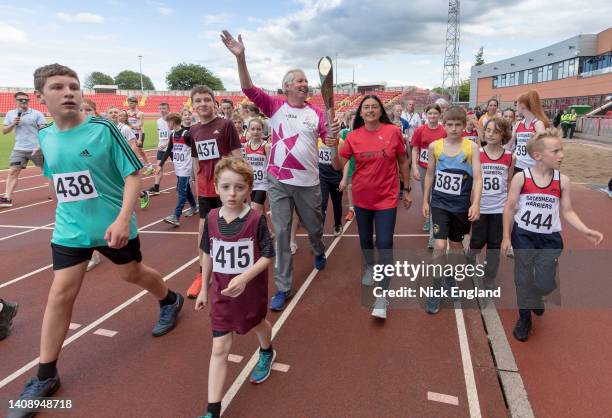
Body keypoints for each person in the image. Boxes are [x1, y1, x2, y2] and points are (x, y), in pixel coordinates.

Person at [10, 64, 184, 411]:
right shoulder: (44, 136)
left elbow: (134, 175)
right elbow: (57, 178)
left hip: (112, 226)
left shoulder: (103, 129)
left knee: (131, 274)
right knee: (60, 293)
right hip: (70, 230)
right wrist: (62, 213)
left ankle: (169, 300)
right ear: (42, 98)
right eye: (58, 87)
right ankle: (45, 374)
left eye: (74, 86)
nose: (69, 92)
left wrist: (123, 219)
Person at [221, 30, 339, 311]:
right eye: (300, 81)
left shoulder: (317, 113)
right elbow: (248, 89)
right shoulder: (274, 106)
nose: (305, 84)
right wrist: (241, 57)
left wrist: (333, 137)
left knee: (313, 227)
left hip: (308, 183)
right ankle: (284, 287)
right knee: (283, 234)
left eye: (307, 82)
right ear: (286, 87)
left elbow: (329, 141)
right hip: (278, 182)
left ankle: (318, 247)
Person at [501, 128, 603, 341]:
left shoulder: (562, 181)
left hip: (550, 238)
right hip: (524, 235)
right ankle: (524, 318)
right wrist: (506, 237)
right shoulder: (521, 178)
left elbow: (567, 210)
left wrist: (585, 230)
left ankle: (538, 295)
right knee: (523, 278)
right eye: (556, 151)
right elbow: (509, 208)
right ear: (538, 156)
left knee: (547, 283)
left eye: (561, 150)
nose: (562, 155)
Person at [195, 157, 275, 418]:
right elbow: (208, 251)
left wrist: (243, 278)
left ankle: (266, 351)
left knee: (258, 324)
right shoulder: (211, 218)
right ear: (216, 187)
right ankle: (212, 410)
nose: (232, 193)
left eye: (239, 187)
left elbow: (267, 254)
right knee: (219, 348)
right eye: (226, 186)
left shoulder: (255, 220)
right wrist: (205, 288)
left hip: (249, 293)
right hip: (221, 293)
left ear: (248, 189)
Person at [334, 95, 412, 319]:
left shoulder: (392, 132)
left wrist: (406, 189)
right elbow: (338, 163)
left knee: (385, 242)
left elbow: (403, 161)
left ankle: (381, 296)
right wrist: (332, 147)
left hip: (387, 198)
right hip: (362, 198)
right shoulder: (353, 136)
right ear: (360, 113)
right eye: (366, 107)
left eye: (374, 107)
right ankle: (370, 266)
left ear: (380, 111)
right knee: (366, 240)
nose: (370, 110)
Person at [422, 106, 482, 314]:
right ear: (443, 125)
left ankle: (449, 278)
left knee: (456, 245)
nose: (454, 128)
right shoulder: (434, 147)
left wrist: (476, 203)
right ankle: (436, 289)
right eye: (450, 125)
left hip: (461, 205)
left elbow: (478, 177)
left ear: (464, 126)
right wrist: (425, 200)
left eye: (458, 125)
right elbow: (429, 173)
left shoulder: (471, 147)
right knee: (439, 245)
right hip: (439, 203)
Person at [186, 85, 242, 299]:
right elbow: (196, 159)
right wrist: (196, 181)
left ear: (214, 102)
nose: (202, 104)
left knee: (231, 228)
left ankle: (234, 270)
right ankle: (202, 274)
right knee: (203, 230)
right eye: (198, 100)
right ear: (193, 105)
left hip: (226, 188)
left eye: (206, 100)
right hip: (206, 189)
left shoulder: (226, 125)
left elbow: (237, 156)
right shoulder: (193, 131)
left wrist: (241, 184)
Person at [467, 117, 514, 287]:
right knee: (477, 242)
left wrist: (510, 204)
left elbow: (508, 181)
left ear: (504, 134)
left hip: (499, 208)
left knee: (494, 244)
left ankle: (490, 276)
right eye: (488, 130)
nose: (491, 134)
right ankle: (470, 257)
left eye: (496, 131)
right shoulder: (477, 153)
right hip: (481, 206)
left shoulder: (509, 156)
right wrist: (472, 202)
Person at [1, 91, 48, 208]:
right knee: (13, 171)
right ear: (15, 101)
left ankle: (57, 192)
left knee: (47, 171)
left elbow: (44, 131)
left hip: (36, 148)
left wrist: (41, 145)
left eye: (26, 99)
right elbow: (4, 131)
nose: (23, 102)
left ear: (29, 101)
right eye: (21, 100)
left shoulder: (37, 114)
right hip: (19, 149)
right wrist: (13, 124)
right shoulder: (11, 114)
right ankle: (7, 198)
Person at [411, 104, 447, 249]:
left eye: (435, 113)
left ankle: (433, 233)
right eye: (430, 113)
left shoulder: (444, 131)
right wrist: (414, 167)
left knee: (435, 198)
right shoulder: (420, 130)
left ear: (439, 115)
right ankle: (428, 217)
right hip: (424, 167)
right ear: (426, 115)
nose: (432, 116)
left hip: (440, 168)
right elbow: (415, 149)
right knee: (426, 195)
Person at [160, 112, 198, 226]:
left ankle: (175, 216)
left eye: (168, 122)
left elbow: (195, 150)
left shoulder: (186, 134)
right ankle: (194, 207)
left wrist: (196, 166)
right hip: (178, 167)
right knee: (185, 189)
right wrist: (160, 165)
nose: (167, 124)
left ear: (173, 122)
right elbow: (168, 150)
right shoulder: (172, 135)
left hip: (186, 168)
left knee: (181, 190)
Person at [507, 91, 549, 174]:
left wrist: (536, 140)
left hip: (532, 167)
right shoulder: (519, 124)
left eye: (517, 104)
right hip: (517, 164)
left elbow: (545, 146)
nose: (516, 107)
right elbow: (509, 144)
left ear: (522, 106)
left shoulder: (538, 123)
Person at [244, 118, 271, 213]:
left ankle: (259, 228)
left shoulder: (266, 146)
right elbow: (247, 165)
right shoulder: (246, 146)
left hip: (263, 184)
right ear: (248, 130)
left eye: (258, 129)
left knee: (254, 210)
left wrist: (271, 183)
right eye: (253, 129)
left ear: (262, 130)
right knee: (260, 212)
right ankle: (267, 228)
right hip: (252, 183)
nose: (256, 132)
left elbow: (270, 166)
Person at [147, 103, 171, 195]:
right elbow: (160, 134)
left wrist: (166, 144)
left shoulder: (171, 120)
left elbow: (173, 135)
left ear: (168, 109)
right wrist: (161, 143)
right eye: (160, 108)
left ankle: (182, 187)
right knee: (159, 167)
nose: (162, 110)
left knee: (178, 168)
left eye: (164, 108)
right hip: (161, 147)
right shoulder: (158, 121)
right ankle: (156, 187)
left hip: (172, 148)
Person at [126, 96, 154, 175]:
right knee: (134, 151)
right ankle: (148, 167)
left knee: (140, 151)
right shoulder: (127, 113)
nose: (130, 104)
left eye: (131, 103)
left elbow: (140, 126)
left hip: (139, 134)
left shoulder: (140, 113)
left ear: (136, 103)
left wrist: (139, 139)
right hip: (130, 134)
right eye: (129, 103)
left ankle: (148, 167)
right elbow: (126, 123)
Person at [339, 111, 356, 221]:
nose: (354, 122)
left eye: (356, 120)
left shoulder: (363, 133)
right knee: (350, 187)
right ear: (348, 121)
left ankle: (362, 208)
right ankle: (351, 209)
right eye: (352, 120)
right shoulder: (344, 133)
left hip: (361, 164)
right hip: (349, 164)